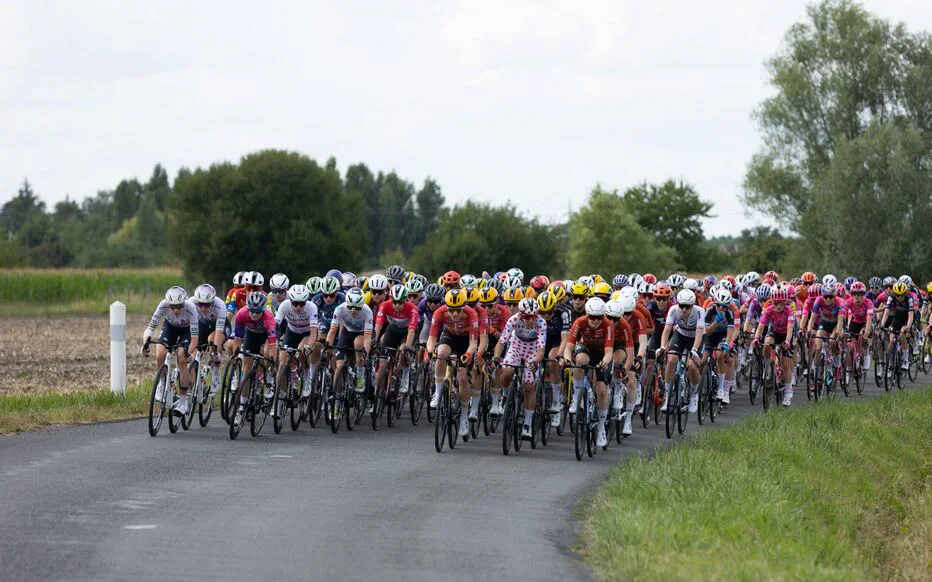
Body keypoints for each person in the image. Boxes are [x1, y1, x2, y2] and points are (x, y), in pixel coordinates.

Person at [492, 297, 547, 439]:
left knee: (529, 386)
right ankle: (505, 395)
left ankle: (527, 424)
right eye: (527, 317)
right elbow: (502, 342)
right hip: (516, 348)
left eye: (533, 316)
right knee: (506, 371)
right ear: (521, 315)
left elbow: (541, 349)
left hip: (533, 352)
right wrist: (497, 357)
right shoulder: (513, 320)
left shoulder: (541, 323)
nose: (530, 320)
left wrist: (535, 362)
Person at [563, 297, 615, 448]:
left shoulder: (608, 324)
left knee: (601, 392)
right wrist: (567, 360)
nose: (596, 321)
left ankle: (601, 429)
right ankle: (577, 394)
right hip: (586, 350)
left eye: (599, 317)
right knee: (579, 361)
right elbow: (569, 347)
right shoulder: (579, 322)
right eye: (592, 317)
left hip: (602, 355)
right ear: (587, 314)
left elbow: (609, 351)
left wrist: (605, 362)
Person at [142, 286, 199, 416]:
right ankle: (162, 384)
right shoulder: (163, 305)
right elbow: (150, 329)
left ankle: (184, 400)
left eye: (179, 306)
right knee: (160, 354)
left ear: (184, 303)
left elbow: (195, 339)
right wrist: (145, 345)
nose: (175, 310)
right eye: (172, 307)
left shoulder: (191, 308)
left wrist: (188, 353)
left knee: (181, 357)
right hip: (170, 327)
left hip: (187, 330)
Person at [657, 289, 705, 413]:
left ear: (693, 305)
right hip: (681, 334)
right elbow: (667, 330)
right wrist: (663, 346)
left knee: (692, 366)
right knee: (671, 359)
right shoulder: (673, 310)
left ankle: (694, 395)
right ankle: (667, 397)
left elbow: (699, 334)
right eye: (681, 306)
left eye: (687, 307)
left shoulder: (699, 312)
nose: (684, 309)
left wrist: (694, 350)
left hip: (696, 338)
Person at [275, 284, 319, 396]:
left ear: (306, 301)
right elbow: (276, 326)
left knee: (302, 349)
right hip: (291, 332)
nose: (298, 307)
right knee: (282, 364)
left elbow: (314, 332)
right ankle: (280, 398)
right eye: (295, 303)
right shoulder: (284, 306)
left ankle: (307, 375)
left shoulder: (312, 307)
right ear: (290, 301)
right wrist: (274, 341)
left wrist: (310, 346)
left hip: (307, 332)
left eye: (302, 303)